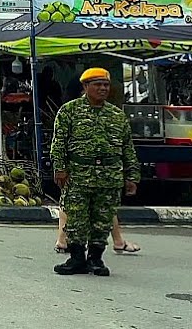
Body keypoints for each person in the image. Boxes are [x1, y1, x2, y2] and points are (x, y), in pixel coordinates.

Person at [51, 67, 140, 277]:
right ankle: (76, 258)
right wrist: (60, 168)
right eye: (97, 84)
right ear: (85, 87)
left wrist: (132, 176)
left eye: (106, 85)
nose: (102, 89)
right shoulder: (69, 111)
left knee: (102, 219)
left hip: (109, 176)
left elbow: (127, 148)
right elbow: (58, 143)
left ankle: (96, 259)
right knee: (76, 218)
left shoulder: (117, 116)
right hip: (78, 174)